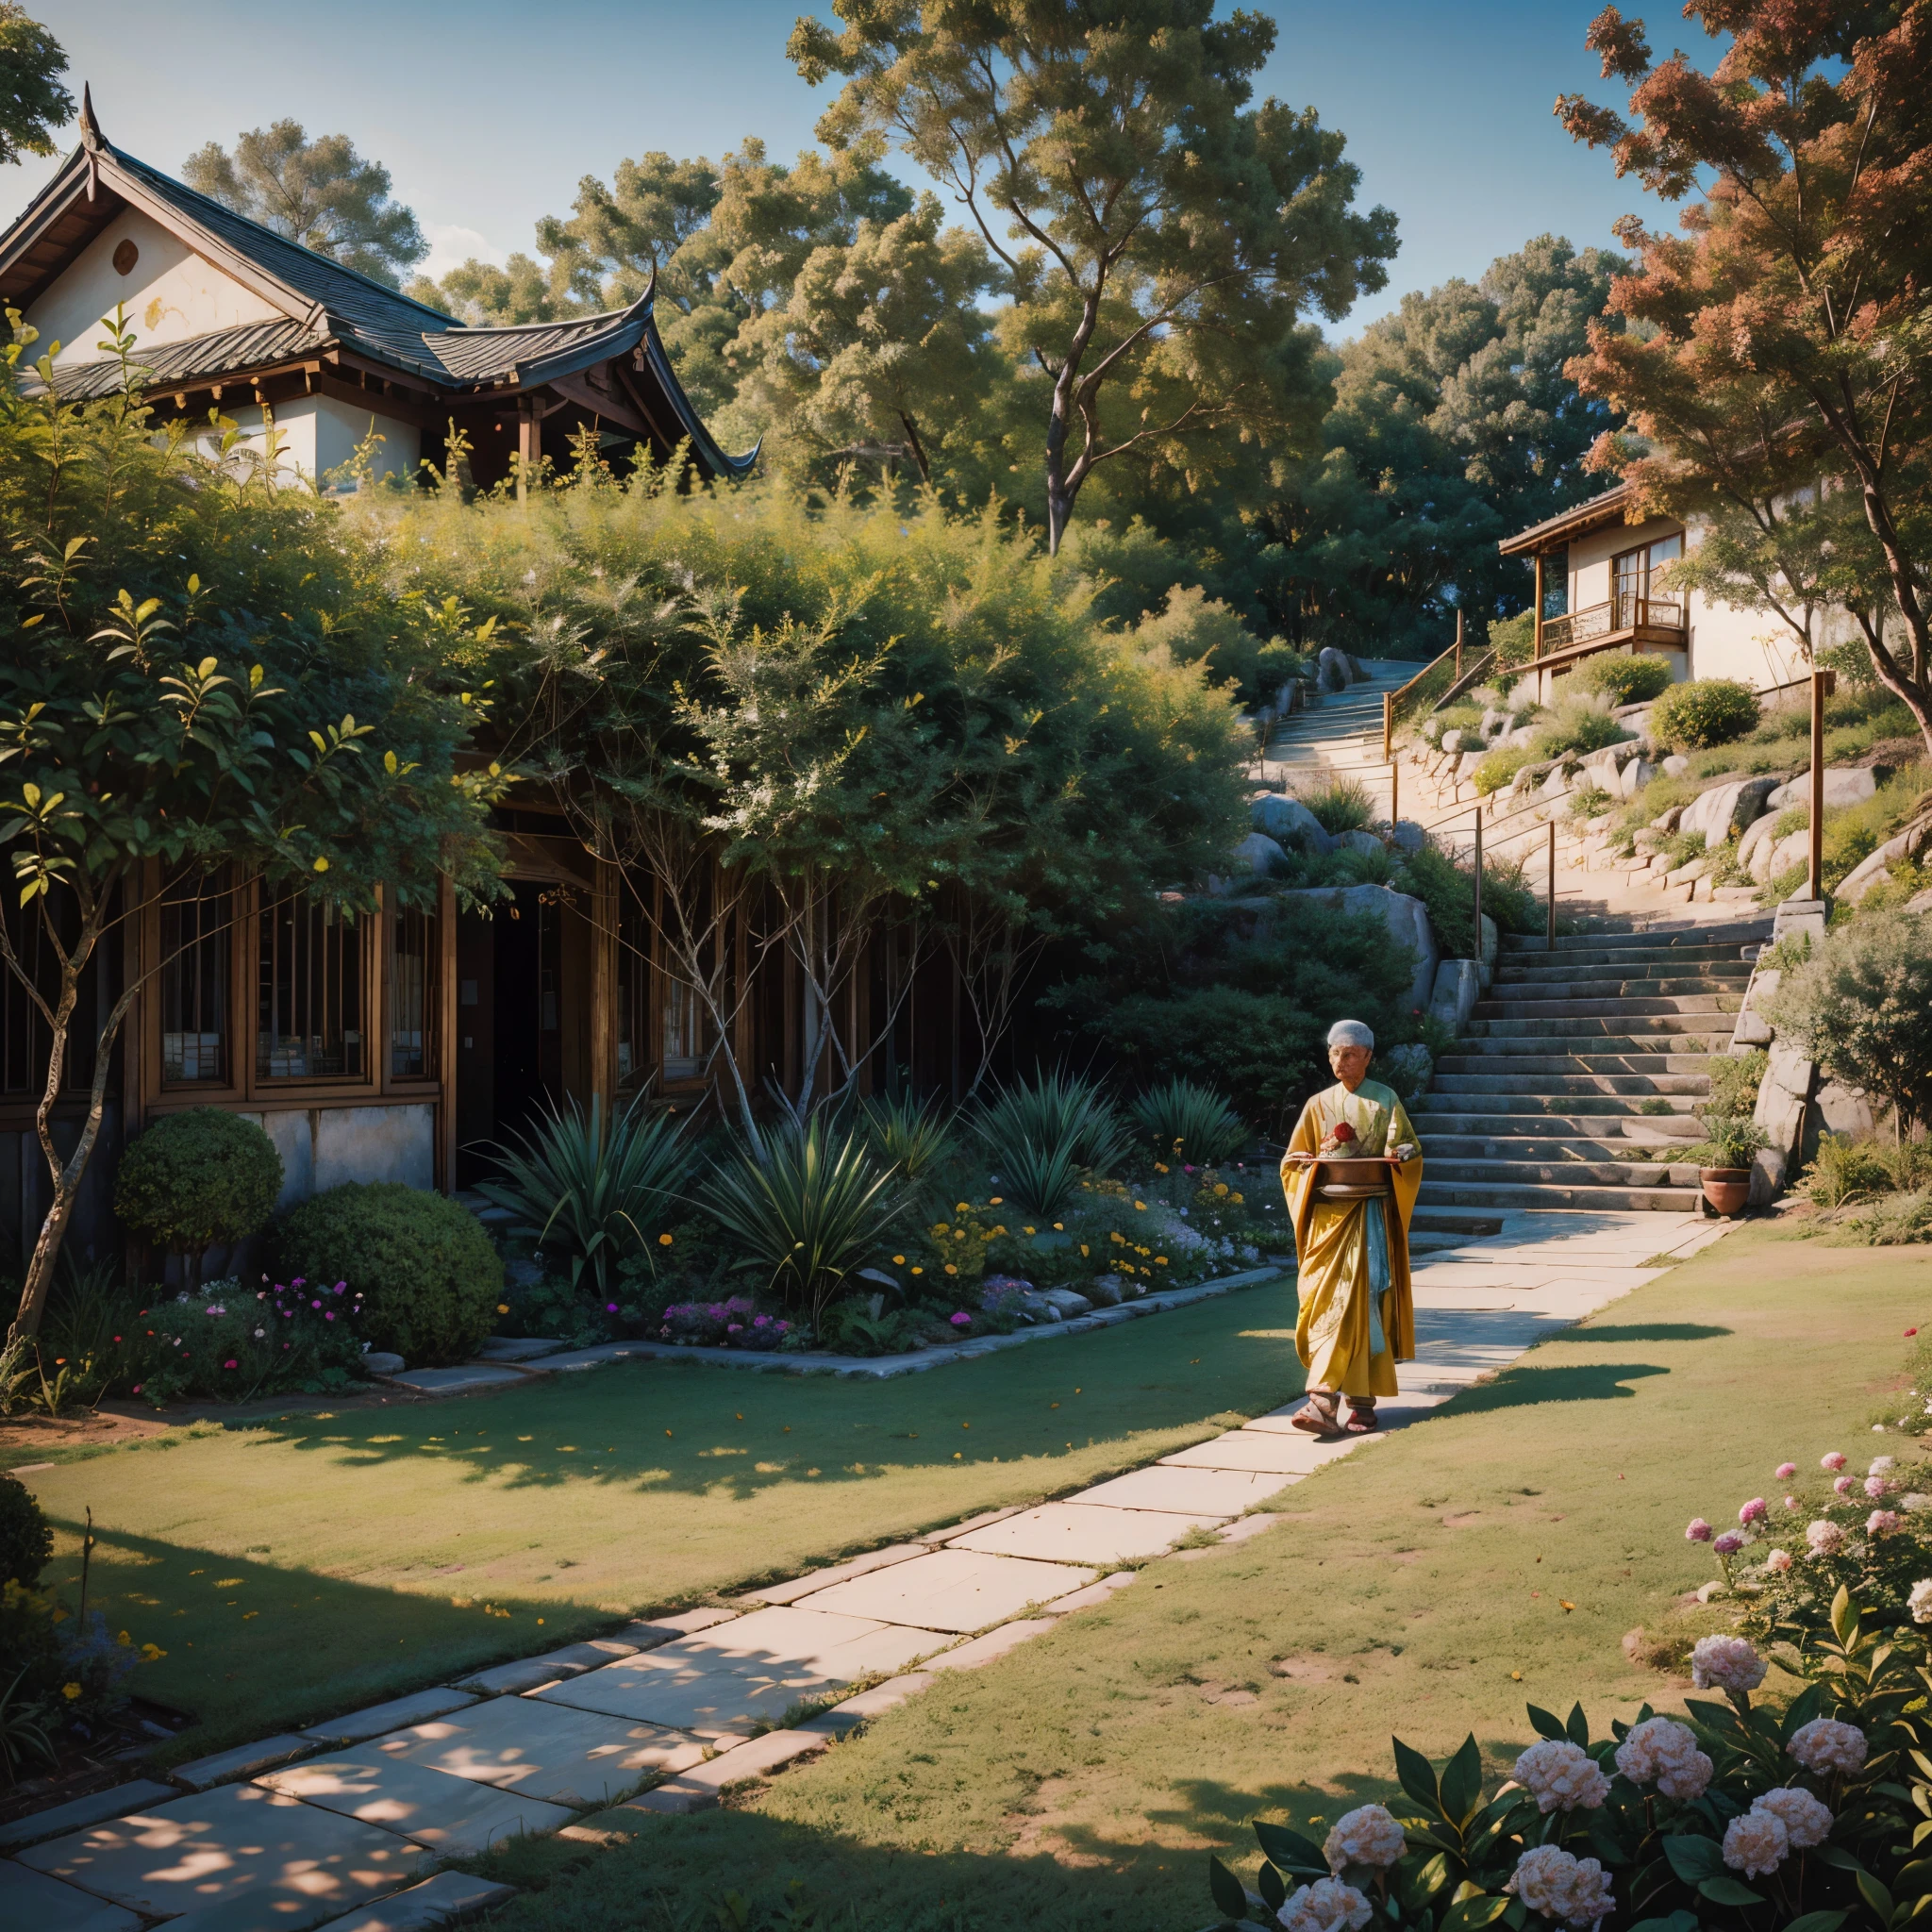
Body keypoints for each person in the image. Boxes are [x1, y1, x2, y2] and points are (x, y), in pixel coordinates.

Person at [1279, 1019, 1423, 1436]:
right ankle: (1340, 1400)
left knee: (1361, 1303)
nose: (1341, 1062)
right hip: (1327, 1218)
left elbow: (1410, 1149)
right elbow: (1291, 1162)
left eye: (1351, 1055)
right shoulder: (1317, 1104)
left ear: (1368, 1058)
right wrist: (1308, 1166)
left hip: (1370, 1217)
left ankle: (1331, 1400)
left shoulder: (1385, 1100)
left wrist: (1401, 1153)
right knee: (1326, 1303)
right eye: (1335, 1054)